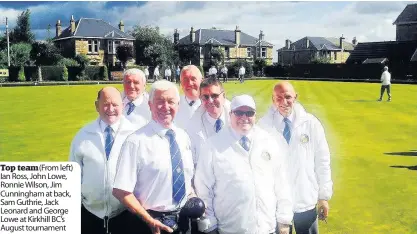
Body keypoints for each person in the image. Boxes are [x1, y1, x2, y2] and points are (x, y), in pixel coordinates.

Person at [194, 94, 293, 234]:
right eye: (239, 112)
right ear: (230, 114)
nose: (244, 117)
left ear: (255, 115)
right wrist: (209, 225)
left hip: (266, 229)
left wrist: (284, 221)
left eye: (249, 113)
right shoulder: (212, 145)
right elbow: (203, 190)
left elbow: (282, 184)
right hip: (230, 229)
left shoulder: (269, 141)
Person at [112, 80, 196, 234]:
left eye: (171, 102)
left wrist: (193, 197)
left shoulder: (183, 137)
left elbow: (185, 178)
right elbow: (121, 191)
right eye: (159, 102)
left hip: (183, 222)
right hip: (149, 224)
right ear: (149, 105)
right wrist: (149, 220)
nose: (166, 107)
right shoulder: (135, 142)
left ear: (178, 105)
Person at [258, 81, 333, 234]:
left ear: (296, 97)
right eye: (278, 98)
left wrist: (323, 197)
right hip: (277, 204)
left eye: (288, 97)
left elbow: (322, 161)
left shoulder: (311, 124)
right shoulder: (263, 127)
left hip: (305, 199)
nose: (283, 102)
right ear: (273, 100)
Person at [69, 87, 136, 234]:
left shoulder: (134, 135)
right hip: (90, 214)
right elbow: (73, 175)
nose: (110, 109)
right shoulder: (83, 135)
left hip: (125, 214)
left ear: (123, 106)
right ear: (96, 106)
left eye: (115, 104)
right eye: (105, 104)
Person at [185, 77, 231, 168]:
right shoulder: (192, 128)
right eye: (205, 97)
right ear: (200, 99)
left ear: (224, 96)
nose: (210, 101)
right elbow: (192, 162)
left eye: (214, 96)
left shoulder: (238, 119)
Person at [174, 65, 203, 129]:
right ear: (181, 83)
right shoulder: (173, 105)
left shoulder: (213, 104)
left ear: (201, 81)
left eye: (193, 79)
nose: (189, 83)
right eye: (185, 79)